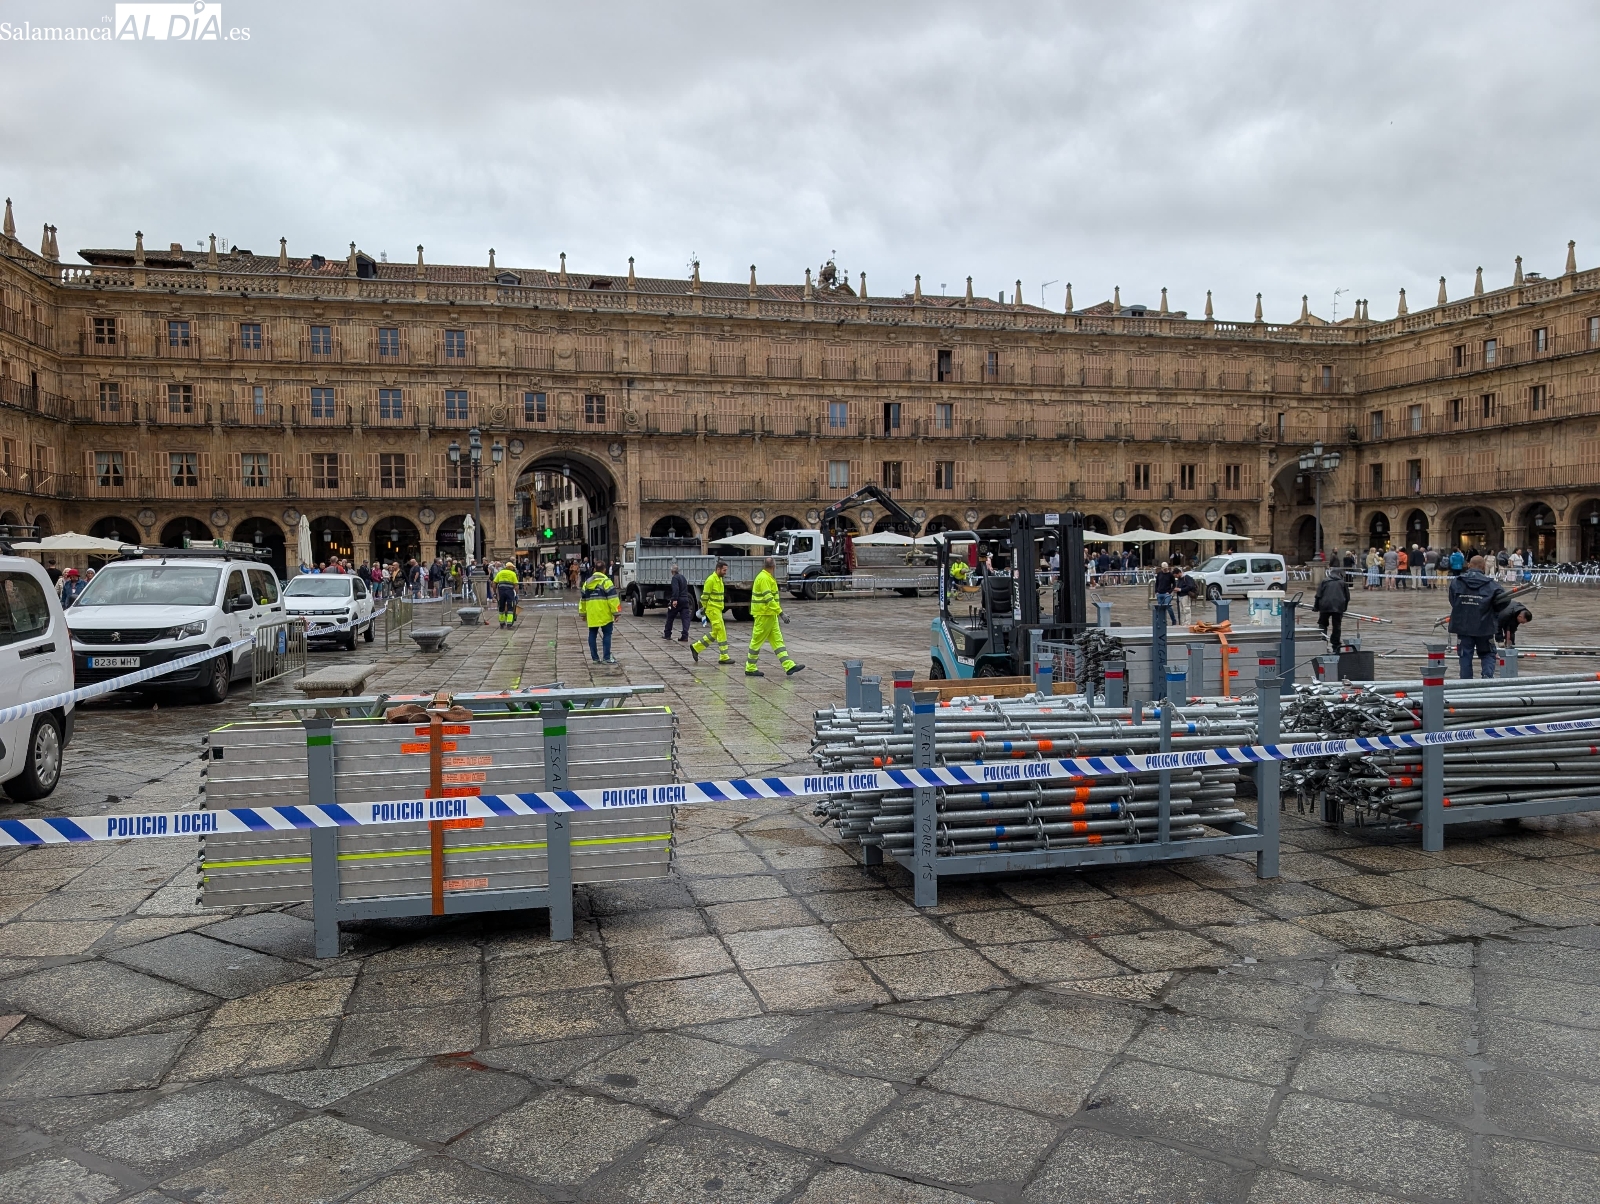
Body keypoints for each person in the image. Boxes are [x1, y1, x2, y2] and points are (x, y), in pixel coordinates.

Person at [1448, 554, 1504, 679]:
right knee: (1488, 653)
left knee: (1465, 655)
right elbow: (1503, 602)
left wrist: (1463, 610)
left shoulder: (1456, 582)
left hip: (1462, 626)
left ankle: (1466, 683)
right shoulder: (1492, 585)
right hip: (1484, 626)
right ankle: (1487, 678)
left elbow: (1453, 601)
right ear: (1483, 567)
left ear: (1469, 565)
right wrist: (1490, 612)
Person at [746, 556, 802, 677]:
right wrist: (781, 613)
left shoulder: (766, 577)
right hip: (764, 615)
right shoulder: (764, 578)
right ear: (774, 566)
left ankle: (788, 665)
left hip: (769, 615)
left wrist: (777, 613)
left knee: (778, 641)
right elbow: (769, 599)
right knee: (757, 641)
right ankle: (750, 667)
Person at [690, 560, 732, 665]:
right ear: (718, 569)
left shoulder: (719, 579)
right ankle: (723, 657)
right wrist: (704, 609)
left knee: (717, 632)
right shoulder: (711, 580)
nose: (725, 572)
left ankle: (696, 647)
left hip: (717, 610)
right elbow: (704, 597)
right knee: (720, 631)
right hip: (712, 610)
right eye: (724, 570)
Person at [580, 562, 620, 664]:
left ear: (594, 569)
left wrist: (583, 613)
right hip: (605, 613)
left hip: (592, 613)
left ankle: (595, 658)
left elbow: (583, 600)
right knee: (607, 634)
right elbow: (613, 599)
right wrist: (616, 613)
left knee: (592, 634)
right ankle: (606, 658)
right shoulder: (607, 582)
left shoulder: (587, 583)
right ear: (604, 570)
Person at [1313, 567, 1350, 651]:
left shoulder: (1324, 581)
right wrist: (1344, 608)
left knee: (1323, 624)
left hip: (1324, 606)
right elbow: (1347, 597)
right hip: (1338, 606)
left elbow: (1318, 595)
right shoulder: (1342, 583)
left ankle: (1323, 640)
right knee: (1337, 625)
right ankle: (1336, 644)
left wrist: (1316, 607)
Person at [663, 562, 692, 642]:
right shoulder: (683, 577)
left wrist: (674, 600)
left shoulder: (675, 578)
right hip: (685, 600)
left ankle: (667, 634)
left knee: (670, 617)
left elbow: (676, 589)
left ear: (672, 571)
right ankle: (685, 636)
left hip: (678, 600)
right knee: (685, 619)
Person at [493, 561, 520, 628]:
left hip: (501, 591)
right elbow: (516, 585)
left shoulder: (500, 573)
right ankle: (509, 623)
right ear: (510, 567)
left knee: (501, 606)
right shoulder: (513, 573)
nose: (513, 568)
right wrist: (516, 594)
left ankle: (502, 623)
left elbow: (494, 583)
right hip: (509, 592)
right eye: (513, 567)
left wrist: (494, 592)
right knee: (510, 607)